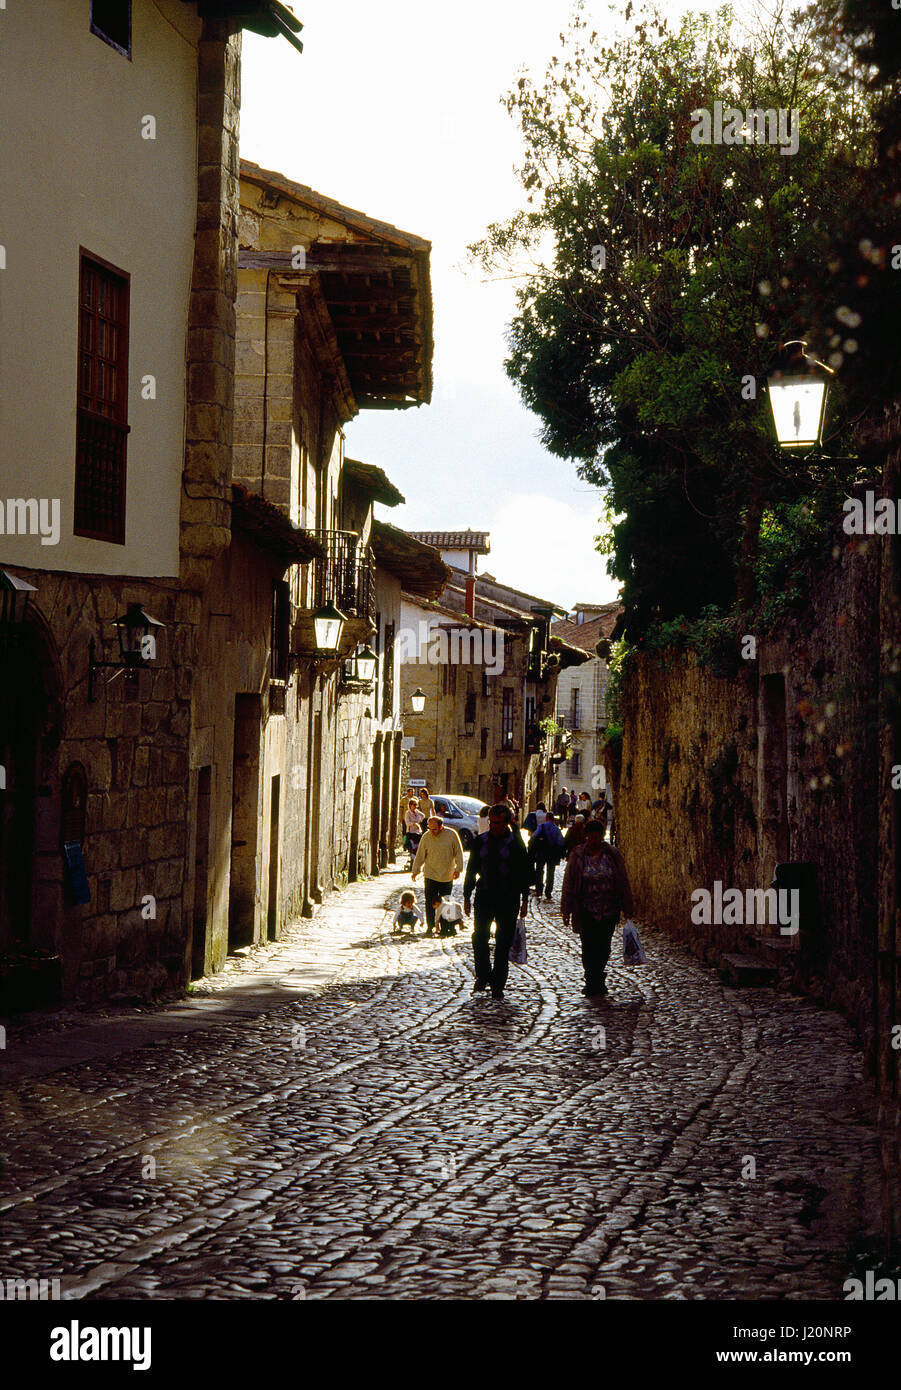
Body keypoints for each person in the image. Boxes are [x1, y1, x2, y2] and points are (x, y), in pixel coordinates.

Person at [463, 804, 531, 1001]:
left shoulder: (516, 844)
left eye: (498, 823)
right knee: (479, 938)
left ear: (507, 822)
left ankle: (498, 983)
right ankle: (483, 975)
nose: (494, 826)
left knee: (503, 942)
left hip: (508, 898)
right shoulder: (480, 841)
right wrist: (467, 895)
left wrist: (525, 899)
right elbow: (472, 869)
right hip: (484, 895)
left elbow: (524, 874)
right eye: (491, 822)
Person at [561, 818, 635, 999]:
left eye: (597, 836)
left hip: (609, 909)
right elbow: (568, 883)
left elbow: (623, 880)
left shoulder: (612, 855)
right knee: (588, 947)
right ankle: (591, 981)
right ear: (586, 836)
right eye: (590, 836)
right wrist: (566, 909)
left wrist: (627, 906)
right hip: (586, 909)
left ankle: (599, 977)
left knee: (604, 947)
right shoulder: (578, 856)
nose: (593, 840)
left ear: (602, 837)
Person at [412, 814, 464, 936]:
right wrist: (415, 869)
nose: (432, 831)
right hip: (430, 874)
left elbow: (459, 853)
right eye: (429, 828)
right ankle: (430, 926)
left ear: (441, 827)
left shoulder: (451, 835)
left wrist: (458, 869)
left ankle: (447, 927)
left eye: (434, 829)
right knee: (430, 902)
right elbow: (420, 855)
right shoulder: (426, 837)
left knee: (447, 902)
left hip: (447, 875)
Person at [529, 811, 566, 899]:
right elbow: (560, 842)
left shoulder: (541, 827)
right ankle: (548, 891)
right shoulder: (556, 829)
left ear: (546, 818)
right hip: (552, 853)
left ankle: (539, 890)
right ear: (553, 819)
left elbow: (534, 837)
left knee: (539, 871)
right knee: (550, 872)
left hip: (541, 852)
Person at [403, 798, 425, 867]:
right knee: (412, 848)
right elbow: (407, 823)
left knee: (418, 847)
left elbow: (423, 815)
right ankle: (413, 862)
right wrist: (415, 824)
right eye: (414, 805)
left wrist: (419, 821)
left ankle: (417, 862)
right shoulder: (407, 813)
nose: (415, 806)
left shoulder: (417, 812)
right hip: (411, 832)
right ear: (410, 805)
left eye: (416, 805)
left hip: (418, 832)